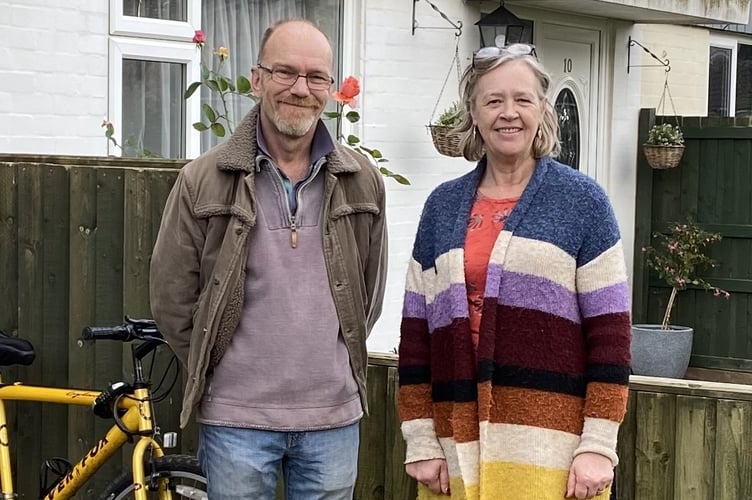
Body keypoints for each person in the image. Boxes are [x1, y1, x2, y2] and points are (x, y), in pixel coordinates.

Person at [149, 18, 388, 500]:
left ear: (331, 89)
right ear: (257, 79)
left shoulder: (363, 182)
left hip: (332, 422)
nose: (300, 89)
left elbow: (369, 295)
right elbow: (172, 300)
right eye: (285, 73)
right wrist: (221, 370)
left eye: (316, 76)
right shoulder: (204, 180)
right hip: (236, 421)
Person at [397, 44, 631, 500]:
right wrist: (421, 439)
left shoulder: (583, 202)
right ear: (474, 111)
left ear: (543, 109)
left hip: (553, 451)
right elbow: (416, 334)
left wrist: (599, 446)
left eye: (522, 99)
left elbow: (611, 335)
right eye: (493, 100)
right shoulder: (441, 208)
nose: (509, 113)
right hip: (454, 450)